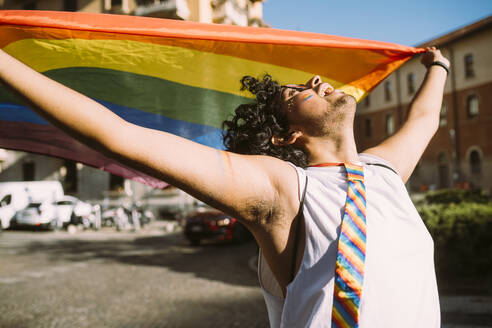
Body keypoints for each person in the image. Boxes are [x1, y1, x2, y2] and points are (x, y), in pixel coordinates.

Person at [0, 46, 448, 327]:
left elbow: (424, 120)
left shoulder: (383, 172)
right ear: (286, 136)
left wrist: (440, 65)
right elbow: (119, 136)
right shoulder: (283, 187)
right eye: (296, 93)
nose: (315, 81)